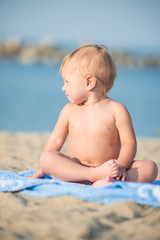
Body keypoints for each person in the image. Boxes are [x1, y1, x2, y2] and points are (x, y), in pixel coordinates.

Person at [30, 44, 158, 187]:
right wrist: (42, 168)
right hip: (77, 170)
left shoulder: (117, 110)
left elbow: (129, 143)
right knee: (47, 157)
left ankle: (108, 180)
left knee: (150, 167)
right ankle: (95, 177)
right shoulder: (69, 110)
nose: (63, 87)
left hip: (110, 168)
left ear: (89, 82)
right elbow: (55, 139)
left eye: (67, 82)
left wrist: (121, 166)